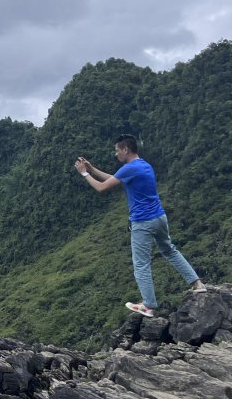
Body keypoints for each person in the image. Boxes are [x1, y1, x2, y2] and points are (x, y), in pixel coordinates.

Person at [75, 134, 206, 317]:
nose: (116, 154)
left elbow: (102, 187)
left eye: (117, 150)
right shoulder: (143, 165)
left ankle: (148, 305)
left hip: (142, 222)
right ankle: (198, 284)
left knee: (141, 264)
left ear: (125, 149)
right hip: (159, 218)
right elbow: (114, 178)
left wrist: (84, 173)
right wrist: (92, 168)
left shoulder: (129, 168)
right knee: (170, 251)